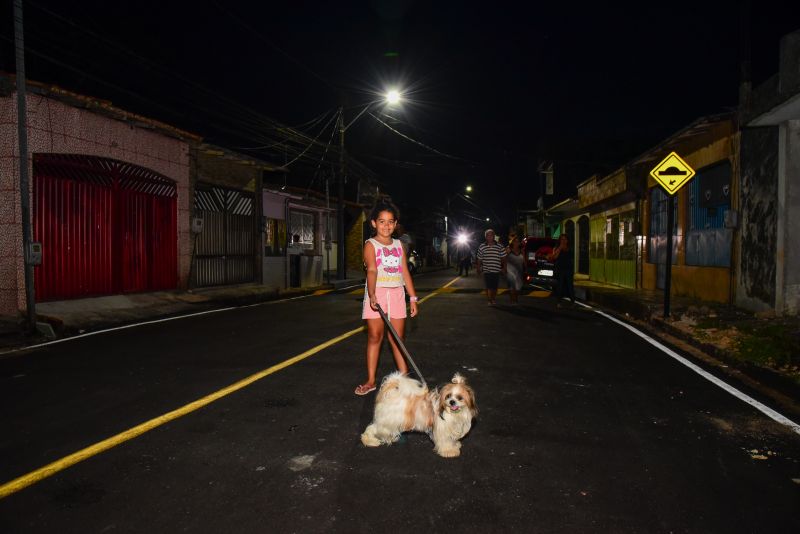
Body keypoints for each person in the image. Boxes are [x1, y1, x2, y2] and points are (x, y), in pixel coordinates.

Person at [355, 200, 419, 396]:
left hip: (397, 293)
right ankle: (371, 380)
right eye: (381, 221)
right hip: (378, 293)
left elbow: (405, 272)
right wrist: (373, 293)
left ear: (395, 224)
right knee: (375, 336)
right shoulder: (370, 245)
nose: (386, 226)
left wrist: (413, 298)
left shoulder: (400, 245)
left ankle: (405, 381)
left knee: (397, 339)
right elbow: (372, 270)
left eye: (390, 222)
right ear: (373, 223)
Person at [476, 228, 506, 306]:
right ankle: (490, 300)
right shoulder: (482, 246)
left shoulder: (500, 246)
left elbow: (503, 258)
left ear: (494, 236)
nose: (490, 237)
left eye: (491, 235)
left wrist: (504, 268)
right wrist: (478, 268)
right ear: (485, 237)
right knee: (489, 286)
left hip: (496, 270)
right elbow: (479, 258)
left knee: (495, 287)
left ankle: (493, 298)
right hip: (487, 270)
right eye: (488, 235)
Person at [548, 234, 575, 305]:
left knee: (570, 285)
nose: (563, 241)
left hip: (568, 269)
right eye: (562, 239)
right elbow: (555, 257)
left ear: (567, 240)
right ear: (559, 240)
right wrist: (560, 248)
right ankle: (559, 302)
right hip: (560, 269)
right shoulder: (556, 248)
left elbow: (571, 258)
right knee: (560, 285)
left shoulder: (570, 248)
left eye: (565, 239)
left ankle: (572, 301)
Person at [505, 236, 524, 305]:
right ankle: (513, 300)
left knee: (517, 287)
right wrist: (504, 268)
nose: (516, 243)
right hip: (510, 271)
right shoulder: (508, 249)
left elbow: (524, 261)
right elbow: (504, 259)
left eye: (518, 241)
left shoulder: (521, 250)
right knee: (512, 287)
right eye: (515, 241)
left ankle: (515, 299)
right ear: (512, 242)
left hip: (519, 271)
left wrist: (526, 268)